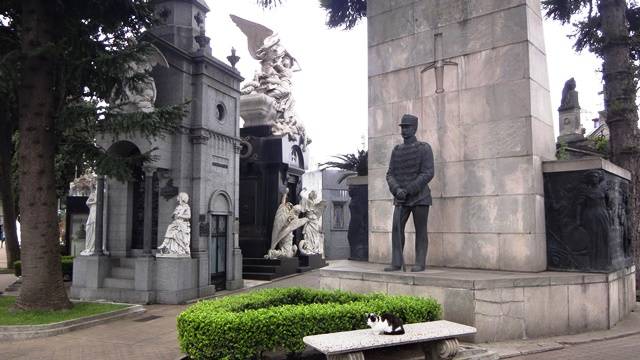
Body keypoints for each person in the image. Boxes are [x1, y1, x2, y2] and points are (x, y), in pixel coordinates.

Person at [385, 114, 435, 272]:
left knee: (421, 230)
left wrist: (408, 189)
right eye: (403, 127)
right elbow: (390, 174)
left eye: (407, 127)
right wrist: (397, 190)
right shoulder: (397, 150)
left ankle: (420, 262)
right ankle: (396, 262)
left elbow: (428, 173)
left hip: (420, 197)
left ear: (415, 128)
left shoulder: (424, 148)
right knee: (396, 229)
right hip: (400, 198)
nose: (404, 130)